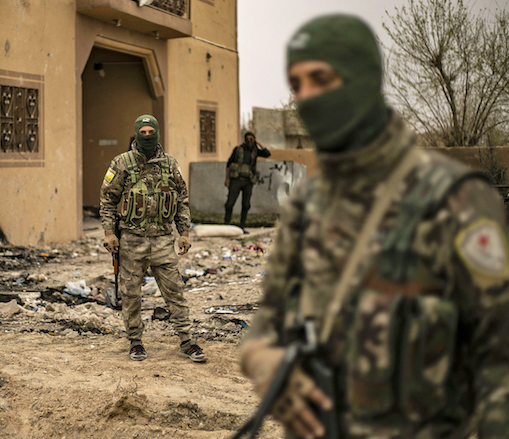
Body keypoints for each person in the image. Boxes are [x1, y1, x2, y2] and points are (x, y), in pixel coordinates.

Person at [238, 15, 509, 439]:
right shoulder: (307, 204)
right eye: (297, 84)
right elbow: (266, 321)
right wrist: (263, 361)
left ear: (361, 77)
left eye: (320, 78)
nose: (306, 96)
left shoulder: (454, 199)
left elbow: (499, 358)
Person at [100, 114, 206, 363]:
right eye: (142, 132)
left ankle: (186, 341)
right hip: (132, 240)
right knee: (131, 294)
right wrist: (109, 233)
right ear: (136, 134)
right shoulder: (122, 163)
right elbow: (107, 200)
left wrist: (185, 233)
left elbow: (181, 200)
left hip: (162, 240)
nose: (147, 136)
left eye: (151, 132)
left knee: (175, 292)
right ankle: (135, 342)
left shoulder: (170, 164)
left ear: (158, 133)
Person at [224, 132, 271, 228]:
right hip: (236, 179)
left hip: (248, 181)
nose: (249, 141)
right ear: (244, 139)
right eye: (247, 139)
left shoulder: (255, 151)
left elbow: (267, 154)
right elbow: (228, 164)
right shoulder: (238, 149)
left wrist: (258, 143)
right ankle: (226, 225)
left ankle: (242, 226)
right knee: (229, 203)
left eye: (251, 139)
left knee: (246, 205)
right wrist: (227, 179)